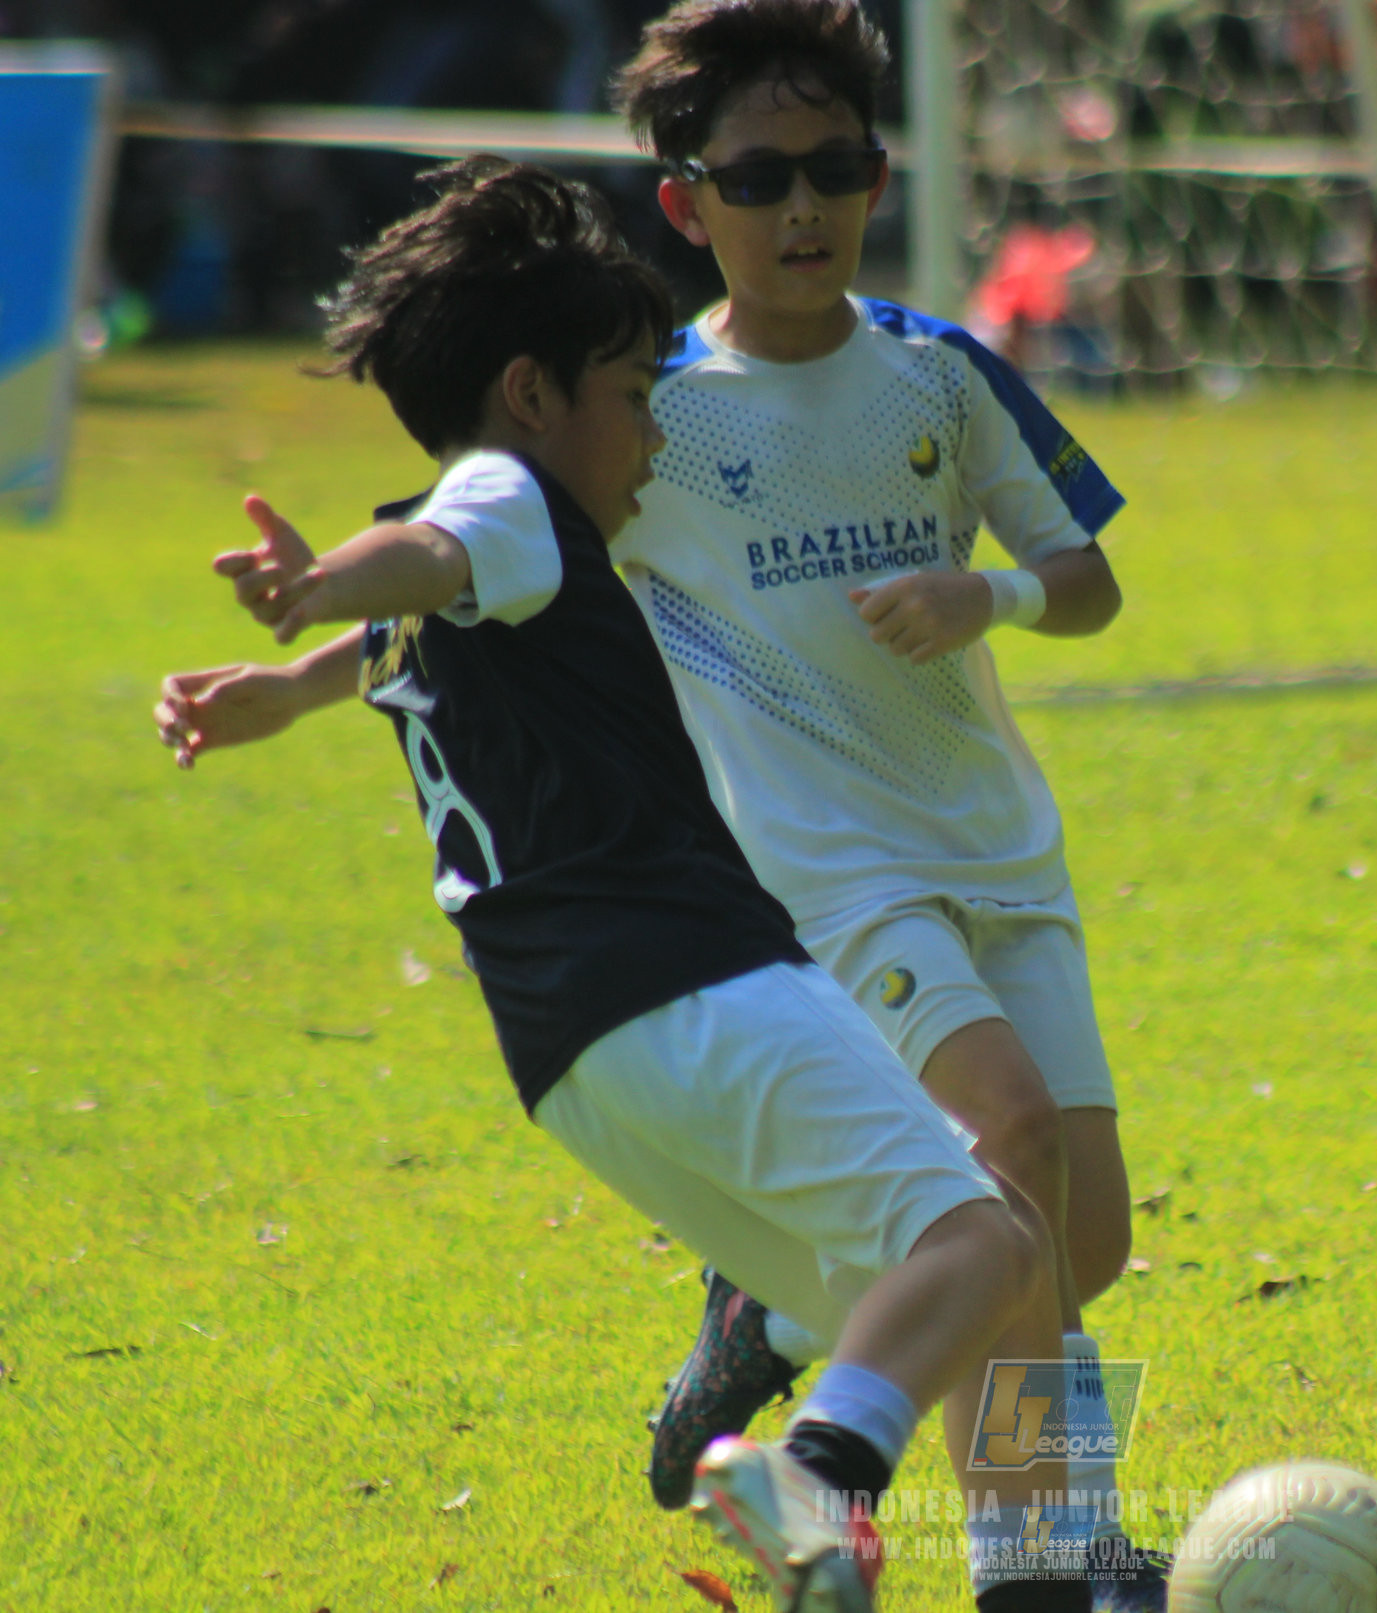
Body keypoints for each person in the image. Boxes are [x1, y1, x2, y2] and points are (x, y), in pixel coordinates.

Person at [153, 156, 1086, 1613]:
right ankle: (824, 1478)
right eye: (635, 399)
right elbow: (434, 544)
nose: (656, 436)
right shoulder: (506, 499)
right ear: (533, 396)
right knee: (987, 1233)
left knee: (965, 1286)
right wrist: (320, 583)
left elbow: (428, 591)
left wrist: (292, 681)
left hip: (574, 1063)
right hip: (701, 984)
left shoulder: (494, 569)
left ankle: (1008, 1551)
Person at [604, 4, 1166, 1607]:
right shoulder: (645, 413)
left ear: (876, 174)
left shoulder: (935, 369)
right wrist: (312, 654)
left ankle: (774, 1317)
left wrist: (985, 599)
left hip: (995, 843)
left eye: (835, 167)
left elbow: (1090, 579)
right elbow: (482, 549)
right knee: (1010, 1142)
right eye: (760, 175)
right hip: (823, 869)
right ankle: (1052, 1559)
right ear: (684, 202)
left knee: (1080, 1231)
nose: (802, 208)